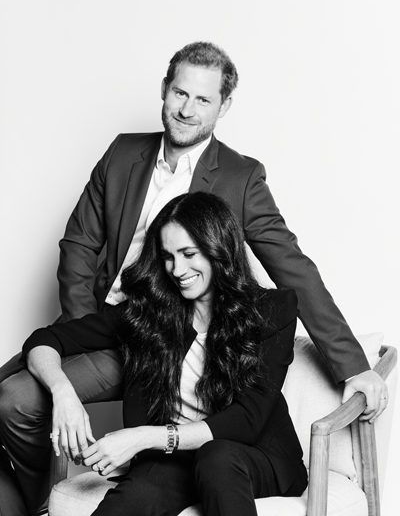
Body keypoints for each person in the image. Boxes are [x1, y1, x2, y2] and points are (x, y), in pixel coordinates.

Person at [0, 41, 386, 515]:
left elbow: (293, 268)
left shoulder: (241, 177)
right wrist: (85, 338)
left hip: (182, 333)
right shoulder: (123, 153)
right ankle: (37, 502)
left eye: (202, 99)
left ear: (223, 106)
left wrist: (352, 365)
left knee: (188, 464)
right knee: (14, 399)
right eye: (179, 93)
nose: (186, 109)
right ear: (164, 90)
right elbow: (79, 245)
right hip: (129, 324)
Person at [22, 192, 308, 516]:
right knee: (136, 496)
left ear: (219, 248)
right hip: (175, 461)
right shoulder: (147, 316)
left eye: (189, 253)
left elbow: (246, 421)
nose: (177, 269)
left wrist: (142, 437)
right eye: (168, 256)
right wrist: (63, 394)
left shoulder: (273, 309)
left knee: (217, 458)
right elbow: (44, 340)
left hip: (256, 457)